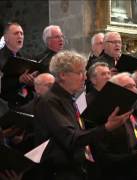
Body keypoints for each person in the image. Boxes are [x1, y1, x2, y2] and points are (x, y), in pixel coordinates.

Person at [33, 50, 131, 180]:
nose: (84, 77)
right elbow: (71, 138)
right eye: (80, 73)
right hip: (60, 173)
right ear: (63, 75)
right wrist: (106, 127)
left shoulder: (68, 98)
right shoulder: (50, 101)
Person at [0, 22, 36, 108]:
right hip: (6, 106)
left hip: (25, 101)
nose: (20, 36)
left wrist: (31, 81)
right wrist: (19, 80)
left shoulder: (25, 57)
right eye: (16, 33)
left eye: (22, 33)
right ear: (6, 38)